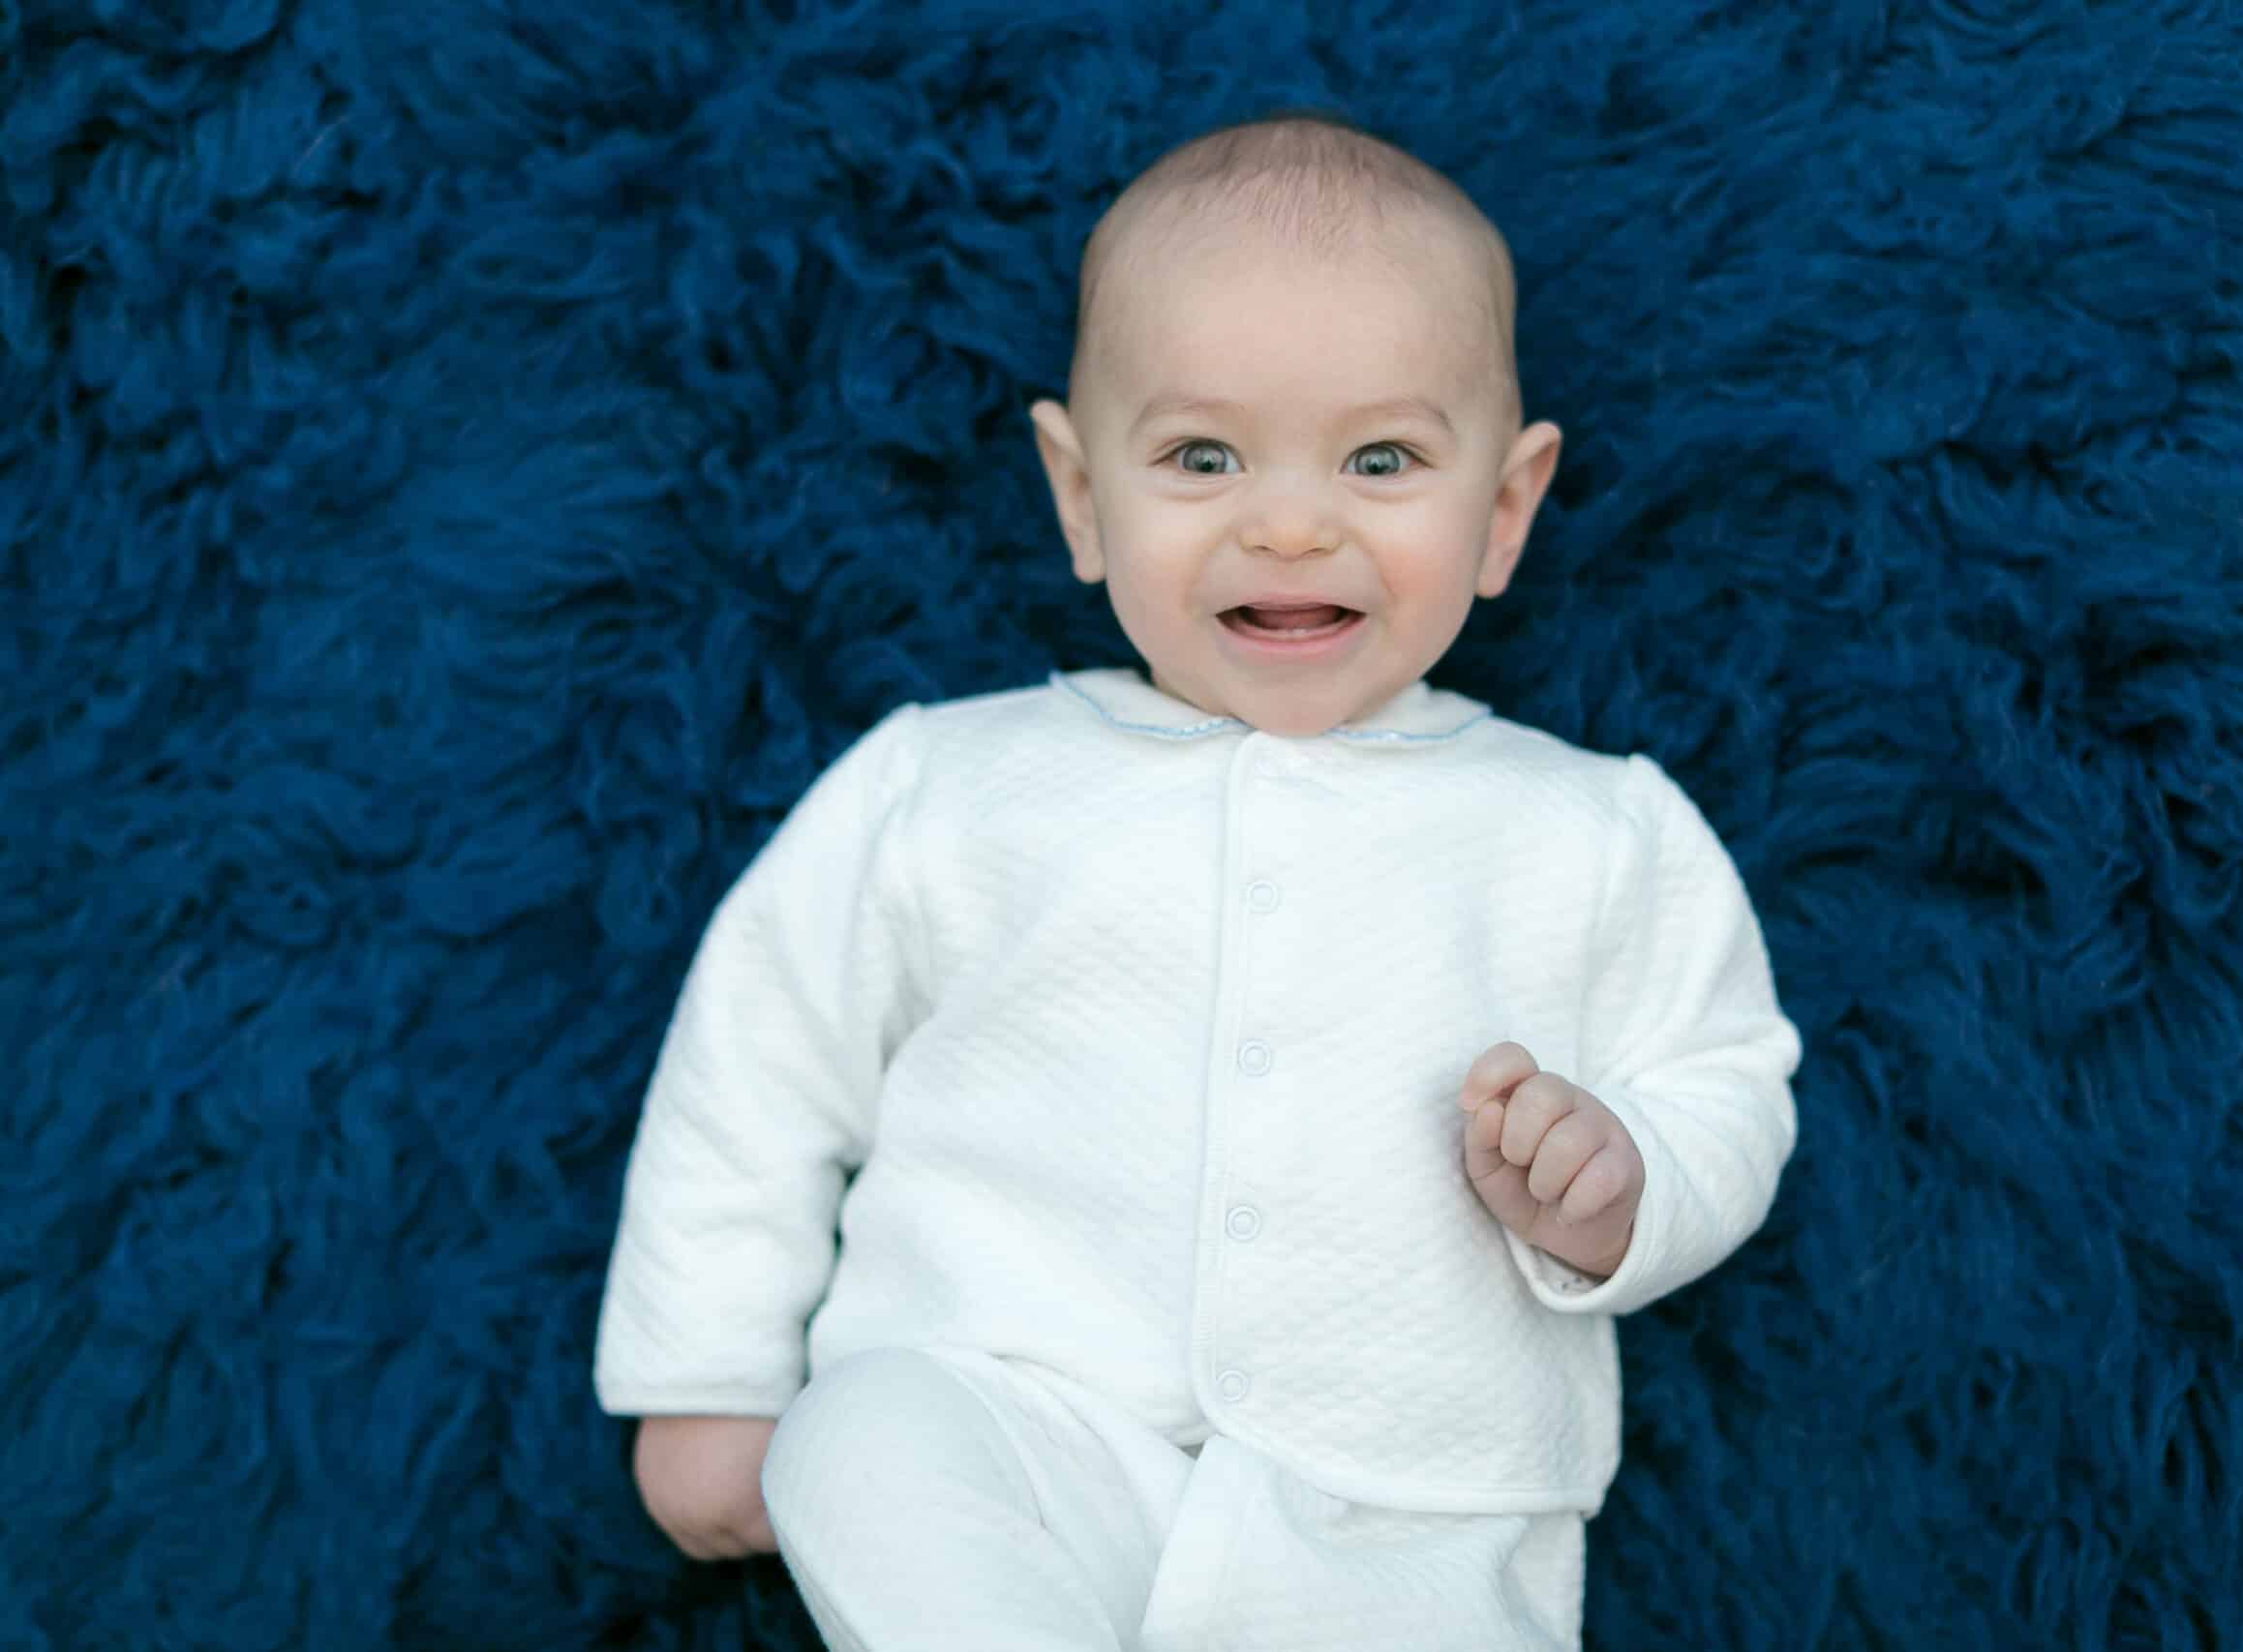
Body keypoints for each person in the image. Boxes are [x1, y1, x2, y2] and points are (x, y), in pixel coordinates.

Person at [594, 107, 1803, 1650]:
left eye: (1381, 459)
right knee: (863, 1441)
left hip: (1405, 1503)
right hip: (1016, 1412)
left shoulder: (1591, 830)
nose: (1288, 525)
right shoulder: (946, 786)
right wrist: (708, 1369)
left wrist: (1624, 1183)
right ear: (1080, 494)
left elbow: (1726, 1078)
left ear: (1503, 510)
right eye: (1201, 457)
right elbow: (762, 1056)